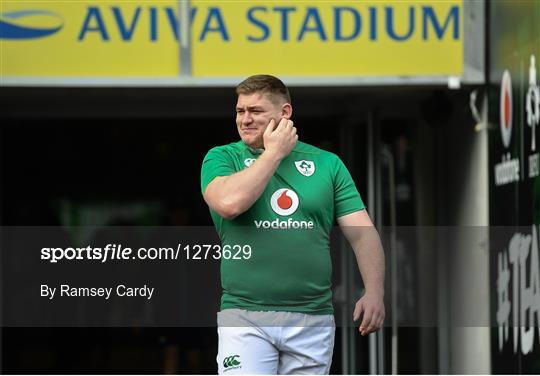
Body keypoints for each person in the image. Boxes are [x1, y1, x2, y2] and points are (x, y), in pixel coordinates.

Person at [200, 75, 385, 374]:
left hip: (312, 317)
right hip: (245, 315)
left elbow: (363, 234)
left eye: (255, 111)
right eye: (240, 111)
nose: (245, 119)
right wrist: (273, 153)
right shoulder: (222, 157)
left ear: (284, 113)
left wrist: (375, 291)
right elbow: (229, 203)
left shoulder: (327, 163)